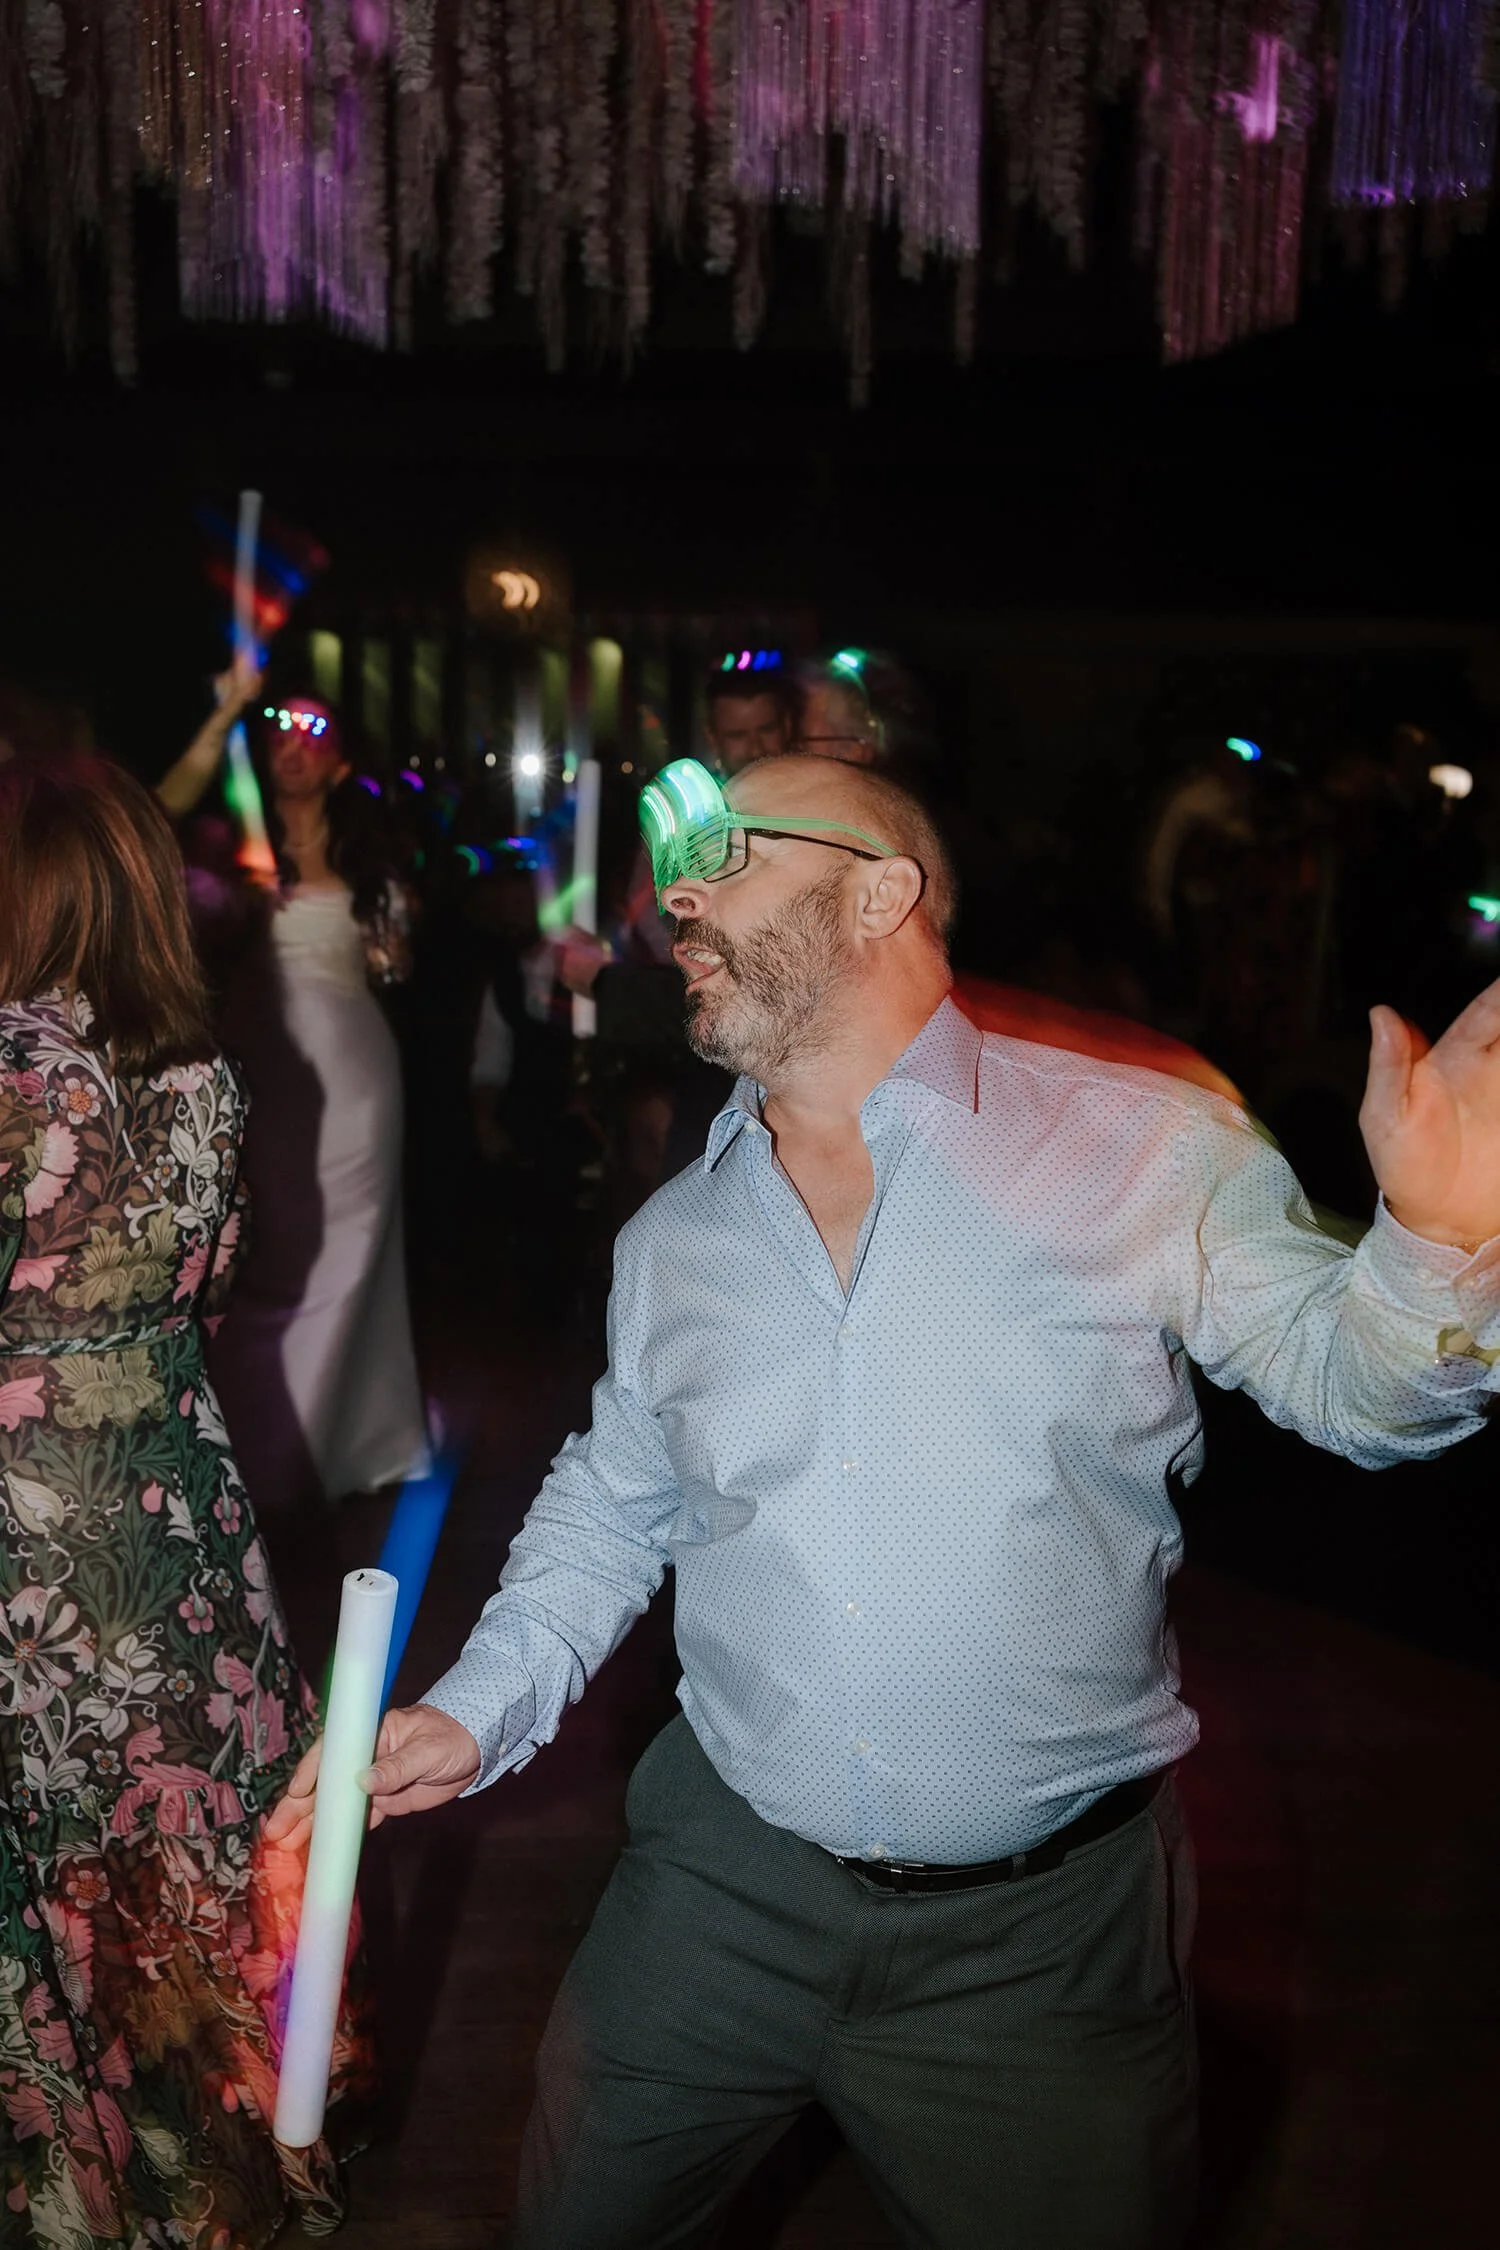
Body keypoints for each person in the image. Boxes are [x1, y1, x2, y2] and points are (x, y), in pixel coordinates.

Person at [274, 753, 1500, 2247]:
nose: (675, 893)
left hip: (1039, 1951)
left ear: (880, 890)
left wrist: (1436, 1245)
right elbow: (613, 1496)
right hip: (717, 1891)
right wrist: (477, 1708)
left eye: (719, 848)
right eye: (672, 861)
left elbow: (1355, 1388)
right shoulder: (676, 1238)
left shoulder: (1140, 1148)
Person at [0, 749, 374, 2247]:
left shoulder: (13, 1070)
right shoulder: (201, 1074)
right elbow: (209, 1290)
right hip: (182, 1520)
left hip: (30, 1544)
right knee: (174, 1881)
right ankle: (199, 2201)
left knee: (48, 1891)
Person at [207, 697, 430, 1513]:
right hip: (254, 1067)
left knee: (347, 1251)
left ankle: (294, 1450)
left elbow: (395, 971)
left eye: (313, 731)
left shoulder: (367, 853)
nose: (292, 744)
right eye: (279, 728)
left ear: (339, 761)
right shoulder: (228, 841)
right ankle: (262, 1430)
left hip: (354, 1072)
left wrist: (392, 921)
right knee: (268, 1251)